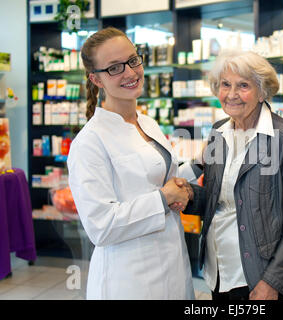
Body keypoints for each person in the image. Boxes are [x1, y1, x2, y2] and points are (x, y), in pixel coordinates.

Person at [67, 27, 195, 300]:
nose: (129, 72)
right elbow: (101, 226)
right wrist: (162, 199)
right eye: (114, 68)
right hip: (128, 278)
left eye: (133, 60)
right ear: (95, 79)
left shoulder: (147, 123)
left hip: (172, 263)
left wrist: (198, 165)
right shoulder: (89, 142)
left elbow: (160, 181)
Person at [181, 49, 283, 300]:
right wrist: (188, 195)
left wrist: (272, 281)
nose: (231, 94)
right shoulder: (218, 132)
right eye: (225, 84)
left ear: (262, 91)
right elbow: (217, 201)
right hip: (216, 268)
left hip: (254, 277)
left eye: (243, 85)